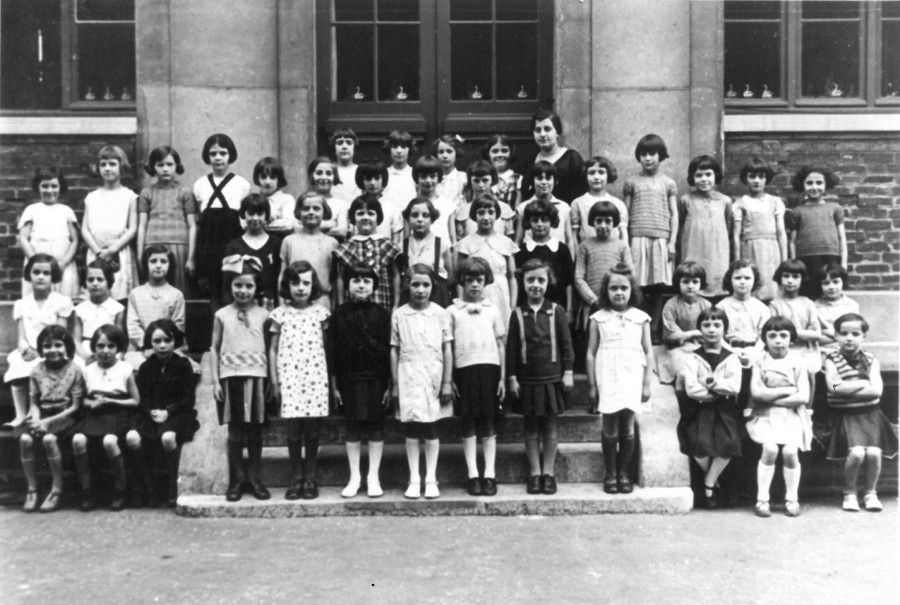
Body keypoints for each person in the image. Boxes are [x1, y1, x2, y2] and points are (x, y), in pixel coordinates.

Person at [507, 259, 574, 495]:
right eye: (530, 280)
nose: (535, 285)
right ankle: (535, 473)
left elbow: (566, 345)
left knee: (550, 428)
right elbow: (512, 349)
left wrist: (567, 371)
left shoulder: (556, 311)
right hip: (527, 380)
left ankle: (549, 473)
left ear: (549, 282)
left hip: (552, 378)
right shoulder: (516, 314)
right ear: (523, 283)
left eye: (541, 280)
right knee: (531, 428)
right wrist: (512, 377)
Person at [586, 264, 653, 494]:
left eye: (623, 288)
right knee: (610, 425)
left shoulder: (641, 318)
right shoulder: (598, 318)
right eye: (613, 288)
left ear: (631, 290)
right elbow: (591, 353)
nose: (619, 293)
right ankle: (610, 473)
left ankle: (624, 473)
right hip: (608, 374)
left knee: (627, 426)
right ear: (606, 291)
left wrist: (646, 383)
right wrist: (592, 385)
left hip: (632, 374)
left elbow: (648, 351)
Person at [390, 264, 454, 499]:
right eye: (415, 284)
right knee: (412, 426)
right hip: (408, 374)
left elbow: (447, 349)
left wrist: (447, 381)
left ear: (432, 287)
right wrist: (396, 384)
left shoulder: (440, 313)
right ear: (407, 285)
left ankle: (431, 478)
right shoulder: (399, 314)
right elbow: (394, 350)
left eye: (425, 285)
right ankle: (414, 478)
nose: (420, 290)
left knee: (431, 425)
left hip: (433, 375)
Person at [328, 264, 392, 498]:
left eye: (366, 281)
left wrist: (389, 384)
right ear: (347, 286)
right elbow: (332, 351)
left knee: (375, 426)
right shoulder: (339, 314)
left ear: (374, 286)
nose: (361, 285)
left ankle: (373, 476)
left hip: (375, 378)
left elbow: (388, 350)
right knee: (353, 426)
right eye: (356, 280)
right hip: (349, 379)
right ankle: (354, 476)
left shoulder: (382, 314)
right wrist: (334, 385)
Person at [822, 313, 897, 512]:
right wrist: (863, 383)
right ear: (836, 336)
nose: (849, 338)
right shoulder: (831, 359)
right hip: (844, 418)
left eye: (855, 333)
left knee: (873, 452)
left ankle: (871, 493)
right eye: (843, 333)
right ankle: (849, 493)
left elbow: (876, 391)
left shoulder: (871, 360)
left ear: (863, 336)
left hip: (870, 416)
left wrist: (850, 388)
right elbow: (835, 387)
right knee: (856, 453)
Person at [209, 259, 270, 502]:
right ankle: (236, 479)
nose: (242, 291)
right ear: (230, 286)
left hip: (257, 377)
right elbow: (213, 348)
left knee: (255, 430)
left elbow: (270, 347)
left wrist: (271, 382)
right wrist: (215, 381)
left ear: (256, 289)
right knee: (235, 431)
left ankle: (254, 479)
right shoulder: (222, 315)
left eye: (248, 286)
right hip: (230, 378)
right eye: (237, 285)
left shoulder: (265, 315)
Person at [269, 261, 331, 500]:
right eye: (295, 283)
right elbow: (273, 350)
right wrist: (275, 382)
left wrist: (329, 382)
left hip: (315, 377)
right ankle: (296, 477)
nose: (301, 288)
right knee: (293, 430)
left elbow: (326, 348)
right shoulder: (280, 314)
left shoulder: (321, 313)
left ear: (313, 285)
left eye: (306, 283)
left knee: (312, 430)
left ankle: (311, 477)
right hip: (290, 378)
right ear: (287, 285)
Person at [449, 257, 507, 496]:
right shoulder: (452, 311)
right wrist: (450, 378)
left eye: (479, 280)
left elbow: (501, 345)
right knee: (469, 422)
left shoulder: (493, 311)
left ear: (486, 282)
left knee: (489, 422)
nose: (474, 285)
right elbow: (449, 347)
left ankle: (489, 475)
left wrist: (502, 377)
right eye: (469, 280)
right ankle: (473, 474)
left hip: (490, 370)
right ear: (462, 282)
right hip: (465, 370)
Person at [675, 308, 743, 509]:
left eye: (717, 325)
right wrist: (715, 392)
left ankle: (709, 484)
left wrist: (711, 384)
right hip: (700, 409)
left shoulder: (732, 358)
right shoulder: (692, 357)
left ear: (724, 329)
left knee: (728, 444)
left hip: (725, 410)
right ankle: (713, 481)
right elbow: (692, 389)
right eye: (706, 325)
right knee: (699, 446)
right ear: (699, 329)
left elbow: (734, 387)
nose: (711, 330)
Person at [70, 325, 140, 512]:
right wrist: (89, 403)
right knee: (78, 440)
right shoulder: (87, 370)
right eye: (100, 346)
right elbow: (81, 398)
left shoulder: (125, 368)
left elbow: (135, 401)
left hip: (118, 413)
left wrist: (110, 400)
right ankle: (86, 490)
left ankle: (120, 490)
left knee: (110, 441)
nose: (105, 351)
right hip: (94, 414)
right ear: (93, 348)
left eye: (111, 346)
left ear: (118, 349)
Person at [747, 317, 812, 518]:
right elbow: (757, 393)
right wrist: (787, 390)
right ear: (765, 339)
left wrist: (771, 396)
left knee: (791, 452)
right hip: (764, 416)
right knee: (770, 448)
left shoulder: (798, 361)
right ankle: (762, 499)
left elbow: (802, 396)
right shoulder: (759, 361)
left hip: (793, 416)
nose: (777, 340)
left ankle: (792, 498)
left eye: (783, 335)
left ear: (791, 339)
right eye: (772, 335)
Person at [130, 319, 199, 507]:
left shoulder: (183, 365)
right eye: (156, 342)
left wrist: (168, 411)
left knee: (168, 438)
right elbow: (142, 398)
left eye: (167, 341)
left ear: (174, 341)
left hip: (178, 414)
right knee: (132, 437)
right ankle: (147, 486)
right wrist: (151, 411)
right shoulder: (145, 368)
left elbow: (187, 399)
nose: (162, 346)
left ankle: (172, 485)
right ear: (150, 343)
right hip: (151, 415)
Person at [4, 254, 74, 430]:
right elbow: (21, 336)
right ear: (29, 275)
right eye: (36, 272)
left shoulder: (61, 301)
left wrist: (43, 351)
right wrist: (25, 349)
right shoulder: (22, 303)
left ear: (53, 277)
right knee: (17, 362)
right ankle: (20, 415)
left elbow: (61, 334)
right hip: (30, 351)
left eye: (46, 273)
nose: (41, 276)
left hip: (54, 349)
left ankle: (39, 413)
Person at [19, 325, 83, 512]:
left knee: (49, 439)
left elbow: (75, 406)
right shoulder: (37, 370)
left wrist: (47, 423)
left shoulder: (75, 370)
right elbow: (34, 402)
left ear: (67, 347)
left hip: (66, 416)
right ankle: (32, 488)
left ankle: (56, 489)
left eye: (58, 345)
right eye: (47, 346)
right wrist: (38, 419)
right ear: (41, 348)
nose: (53, 350)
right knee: (24, 439)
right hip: (43, 415)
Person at [622, 134, 678, 326]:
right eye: (644, 154)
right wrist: (626, 241)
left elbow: (674, 214)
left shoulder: (668, 183)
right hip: (638, 238)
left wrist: (671, 242)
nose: (648, 158)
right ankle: (639, 325)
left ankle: (654, 327)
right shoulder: (632, 182)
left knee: (657, 285)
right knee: (638, 284)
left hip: (660, 238)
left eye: (652, 153)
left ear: (660, 155)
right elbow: (625, 214)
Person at [193, 133, 251, 312]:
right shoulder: (200, 184)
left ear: (230, 155)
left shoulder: (241, 184)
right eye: (213, 154)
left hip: (231, 241)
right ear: (207, 156)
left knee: (231, 285)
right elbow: (199, 218)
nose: (218, 158)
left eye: (223, 153)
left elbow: (244, 218)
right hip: (208, 243)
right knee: (211, 290)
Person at [81, 145, 138, 302]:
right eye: (103, 164)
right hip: (96, 251)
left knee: (119, 295)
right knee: (97, 291)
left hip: (118, 252)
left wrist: (112, 249)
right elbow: (85, 229)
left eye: (112, 164)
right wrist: (99, 252)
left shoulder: (129, 196)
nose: (107, 168)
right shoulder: (92, 197)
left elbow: (133, 228)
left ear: (121, 166)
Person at [137, 146, 197, 293]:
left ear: (177, 166)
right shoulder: (147, 193)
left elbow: (193, 226)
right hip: (152, 245)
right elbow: (142, 226)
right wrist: (139, 255)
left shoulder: (185, 192)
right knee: (154, 289)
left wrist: (191, 258)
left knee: (177, 290)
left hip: (179, 247)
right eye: (160, 165)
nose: (165, 169)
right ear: (153, 167)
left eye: (170, 165)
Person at [17, 167, 80, 299]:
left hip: (63, 264)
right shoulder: (32, 210)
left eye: (54, 186)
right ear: (38, 187)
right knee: (37, 300)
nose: (49, 190)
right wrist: (35, 261)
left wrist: (63, 263)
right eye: (45, 186)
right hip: (37, 264)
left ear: (60, 187)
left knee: (64, 300)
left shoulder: (66, 211)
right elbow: (23, 238)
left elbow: (75, 240)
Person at [333, 193, 402, 310]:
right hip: (352, 306)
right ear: (353, 218)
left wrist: (396, 304)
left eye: (371, 213)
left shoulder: (387, 245)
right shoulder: (346, 247)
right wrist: (340, 304)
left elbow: (395, 275)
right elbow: (340, 278)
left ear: (378, 217)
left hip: (381, 303)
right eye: (360, 214)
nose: (365, 217)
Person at [787, 165, 847, 298]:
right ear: (802, 185)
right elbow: (792, 241)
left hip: (830, 257)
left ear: (826, 185)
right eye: (809, 183)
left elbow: (842, 238)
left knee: (830, 290)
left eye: (819, 183)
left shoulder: (835, 208)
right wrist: (794, 264)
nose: (814, 187)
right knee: (809, 293)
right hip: (806, 259)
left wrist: (844, 263)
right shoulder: (797, 211)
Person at [732, 157, 786, 301]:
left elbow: (781, 233)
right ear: (745, 179)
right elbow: (736, 236)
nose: (756, 181)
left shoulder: (775, 202)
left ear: (766, 179)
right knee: (753, 288)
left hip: (771, 250)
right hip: (749, 250)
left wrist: (785, 261)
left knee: (772, 288)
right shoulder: (740, 203)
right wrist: (737, 263)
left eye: (761, 177)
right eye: (752, 176)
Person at [678, 154, 733, 297]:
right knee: (694, 282)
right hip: (693, 250)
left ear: (716, 175)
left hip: (717, 252)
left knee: (717, 284)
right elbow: (680, 227)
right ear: (692, 177)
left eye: (708, 174)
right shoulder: (686, 200)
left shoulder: (725, 201)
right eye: (698, 175)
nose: (704, 179)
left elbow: (728, 226)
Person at [456, 193, 519, 316]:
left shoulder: (506, 242)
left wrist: (512, 305)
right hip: (475, 296)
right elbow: (460, 279)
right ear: (474, 215)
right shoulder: (466, 243)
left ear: (497, 215)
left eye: (491, 212)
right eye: (481, 213)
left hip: (501, 296)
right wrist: (462, 304)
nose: (486, 217)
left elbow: (512, 276)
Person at [125, 245, 187, 369]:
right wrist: (149, 346)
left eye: (163, 261)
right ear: (145, 264)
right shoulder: (136, 294)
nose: (158, 265)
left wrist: (161, 345)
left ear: (170, 265)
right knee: (131, 365)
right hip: (142, 349)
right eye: (153, 261)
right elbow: (133, 326)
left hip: (168, 347)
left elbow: (178, 325)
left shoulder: (176, 295)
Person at [278, 193, 338, 309]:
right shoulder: (289, 241)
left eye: (316, 208)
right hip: (293, 303)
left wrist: (335, 306)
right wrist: (282, 302)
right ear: (298, 212)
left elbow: (335, 279)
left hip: (322, 302)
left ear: (324, 212)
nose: (311, 212)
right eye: (306, 208)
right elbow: (283, 275)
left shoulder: (332, 243)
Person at [657, 261, 712, 385]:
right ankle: (683, 399)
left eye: (695, 282)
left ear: (701, 283)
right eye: (685, 282)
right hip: (676, 348)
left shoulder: (706, 305)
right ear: (678, 283)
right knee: (684, 373)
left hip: (700, 346)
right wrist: (694, 333)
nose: (690, 286)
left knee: (706, 373)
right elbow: (671, 335)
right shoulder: (671, 305)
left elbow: (710, 330)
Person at [514, 199, 573, 312]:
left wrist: (569, 309)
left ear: (552, 222)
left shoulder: (561, 249)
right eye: (535, 220)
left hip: (557, 307)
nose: (540, 224)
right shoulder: (522, 251)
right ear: (528, 223)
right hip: (528, 309)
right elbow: (518, 283)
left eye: (545, 220)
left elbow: (569, 282)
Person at [222, 193, 280, 308]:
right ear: (244, 214)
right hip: (242, 304)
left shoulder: (276, 244)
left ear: (266, 215)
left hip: (269, 305)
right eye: (251, 213)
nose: (255, 218)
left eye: (260, 214)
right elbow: (227, 283)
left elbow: (279, 277)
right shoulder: (234, 246)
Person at [769, 259, 822, 377]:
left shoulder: (808, 303)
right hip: (782, 351)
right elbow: (774, 332)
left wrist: (789, 332)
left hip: (806, 351)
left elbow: (816, 334)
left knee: (808, 374)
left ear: (802, 279)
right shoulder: (775, 305)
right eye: (786, 276)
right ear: (780, 278)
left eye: (795, 276)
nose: (790, 280)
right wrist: (803, 333)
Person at [522, 109, 586, 203]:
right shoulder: (531, 160)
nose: (542, 134)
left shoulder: (571, 158)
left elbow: (581, 194)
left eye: (547, 129)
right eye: (538, 130)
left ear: (557, 132)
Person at [715, 260, 771, 367]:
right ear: (730, 280)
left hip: (755, 351)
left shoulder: (762, 308)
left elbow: (764, 336)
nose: (742, 282)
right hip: (727, 349)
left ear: (755, 280)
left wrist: (754, 352)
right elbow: (718, 336)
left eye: (747, 278)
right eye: (737, 278)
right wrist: (732, 351)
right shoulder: (721, 306)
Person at [399, 197, 452, 306]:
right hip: (410, 301)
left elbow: (451, 277)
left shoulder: (442, 244)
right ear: (408, 218)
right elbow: (397, 279)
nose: (420, 219)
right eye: (414, 215)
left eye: (425, 215)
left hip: (437, 300)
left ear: (432, 218)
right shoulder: (401, 246)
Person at [516, 161, 575, 258]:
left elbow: (569, 240)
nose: (544, 182)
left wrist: (570, 265)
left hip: (557, 257)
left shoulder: (564, 207)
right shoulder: (523, 207)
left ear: (555, 181)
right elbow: (518, 240)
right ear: (532, 181)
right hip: (531, 257)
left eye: (548, 178)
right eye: (539, 178)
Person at [73, 259, 125, 362]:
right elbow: (76, 340)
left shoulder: (117, 308)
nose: (95, 283)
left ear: (109, 281)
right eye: (90, 279)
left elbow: (119, 340)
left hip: (109, 349)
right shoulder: (79, 310)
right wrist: (86, 357)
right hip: (85, 350)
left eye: (100, 279)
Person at [455, 160, 515, 240]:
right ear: (470, 182)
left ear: (492, 181)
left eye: (485, 180)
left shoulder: (504, 208)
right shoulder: (463, 211)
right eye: (476, 181)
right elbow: (461, 243)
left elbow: (509, 242)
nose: (480, 185)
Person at [571, 156, 627, 242]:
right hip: (587, 252)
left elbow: (623, 235)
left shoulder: (618, 203)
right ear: (586, 176)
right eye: (592, 173)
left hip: (613, 253)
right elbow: (574, 235)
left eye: (601, 172)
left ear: (608, 175)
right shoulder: (578, 203)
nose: (596, 177)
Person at [354, 159, 405, 244]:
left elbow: (397, 239)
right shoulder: (355, 206)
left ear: (383, 179)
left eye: (377, 178)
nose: (373, 183)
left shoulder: (392, 208)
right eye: (368, 179)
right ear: (361, 180)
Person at [412, 155, 456, 244]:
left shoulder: (447, 205)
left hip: (443, 254)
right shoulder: (411, 205)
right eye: (423, 177)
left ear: (439, 177)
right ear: (417, 178)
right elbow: (407, 239)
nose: (428, 181)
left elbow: (453, 239)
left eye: (432, 176)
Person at [814, 263, 859, 352]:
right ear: (820, 285)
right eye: (826, 283)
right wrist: (840, 336)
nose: (831, 287)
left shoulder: (851, 305)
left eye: (835, 282)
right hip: (822, 350)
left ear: (843, 282)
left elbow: (853, 335)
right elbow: (815, 337)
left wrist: (826, 332)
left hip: (847, 350)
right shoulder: (814, 306)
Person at [252, 156, 297, 244]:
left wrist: (260, 222)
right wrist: (270, 219)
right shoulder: (253, 199)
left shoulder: (286, 199)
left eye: (272, 177)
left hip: (279, 243)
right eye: (263, 177)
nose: (268, 181)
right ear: (257, 178)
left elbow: (288, 224)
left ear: (279, 179)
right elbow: (244, 224)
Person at [307, 156, 349, 241]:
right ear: (312, 176)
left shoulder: (340, 204)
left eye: (328, 173)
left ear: (334, 177)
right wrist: (330, 225)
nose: (324, 177)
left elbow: (341, 231)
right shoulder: (305, 201)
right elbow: (298, 228)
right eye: (319, 173)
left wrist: (311, 229)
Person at [381, 130, 418, 223]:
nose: (399, 151)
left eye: (403, 147)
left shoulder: (415, 174)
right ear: (389, 149)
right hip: (387, 221)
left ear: (410, 149)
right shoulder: (383, 174)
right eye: (394, 147)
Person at [483, 134, 522, 209]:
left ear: (511, 153)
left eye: (504, 151)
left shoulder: (517, 179)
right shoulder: (482, 178)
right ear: (488, 154)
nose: (500, 155)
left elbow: (518, 208)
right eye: (495, 151)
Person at [431, 134, 467, 208]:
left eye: (449, 151)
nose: (445, 156)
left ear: (456, 153)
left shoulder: (463, 178)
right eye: (441, 152)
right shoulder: (432, 179)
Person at [330, 128, 362, 204]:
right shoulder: (329, 171)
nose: (344, 146)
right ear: (334, 146)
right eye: (340, 143)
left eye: (349, 143)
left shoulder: (360, 170)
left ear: (354, 146)